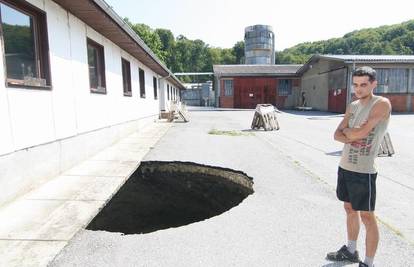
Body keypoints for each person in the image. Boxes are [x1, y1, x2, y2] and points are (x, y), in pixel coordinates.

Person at [327, 66, 391, 267]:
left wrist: (350, 132)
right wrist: (350, 132)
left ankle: (368, 263)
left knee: (367, 216)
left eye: (363, 84)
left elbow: (357, 134)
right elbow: (336, 135)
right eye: (355, 85)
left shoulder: (381, 104)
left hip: (364, 171)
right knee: (349, 208)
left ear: (374, 84)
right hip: (345, 167)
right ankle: (351, 250)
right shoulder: (353, 105)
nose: (359, 89)